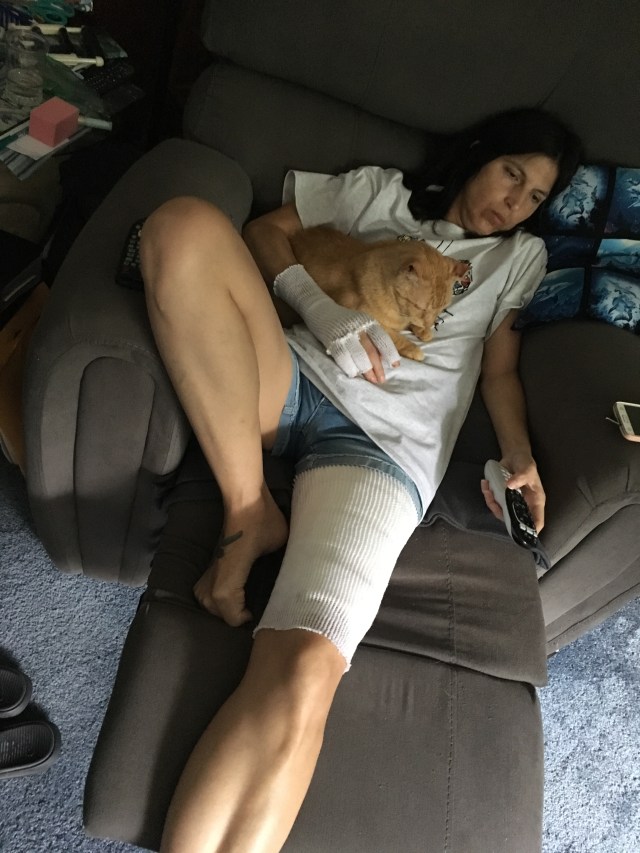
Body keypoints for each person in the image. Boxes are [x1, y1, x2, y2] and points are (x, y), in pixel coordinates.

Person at [139, 107, 582, 853]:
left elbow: (499, 373)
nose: (515, 202)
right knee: (180, 224)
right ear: (480, 153)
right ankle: (249, 511)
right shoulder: (377, 192)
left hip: (384, 446)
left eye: (535, 195)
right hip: (292, 375)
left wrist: (519, 454)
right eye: (512, 173)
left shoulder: (519, 256)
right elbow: (263, 233)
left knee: (305, 669)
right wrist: (319, 309)